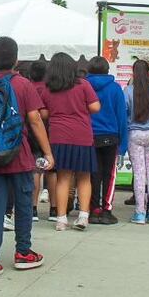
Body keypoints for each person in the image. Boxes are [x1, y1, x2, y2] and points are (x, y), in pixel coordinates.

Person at [0, 37, 54, 281]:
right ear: (16, 59)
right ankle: (23, 252)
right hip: (18, 155)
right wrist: (47, 151)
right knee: (23, 204)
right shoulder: (23, 84)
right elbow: (34, 120)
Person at [38, 52, 100, 231]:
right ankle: (83, 216)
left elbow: (44, 114)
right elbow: (95, 107)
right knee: (84, 177)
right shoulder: (83, 85)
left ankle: (61, 219)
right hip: (82, 136)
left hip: (58, 136)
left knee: (63, 178)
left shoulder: (48, 88)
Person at [85, 56, 128, 225]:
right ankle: (107, 210)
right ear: (107, 69)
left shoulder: (84, 87)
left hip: (90, 135)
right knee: (109, 175)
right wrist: (122, 145)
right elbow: (122, 117)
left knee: (92, 174)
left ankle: (93, 209)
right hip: (111, 136)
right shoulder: (115, 89)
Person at [125, 60, 149, 225]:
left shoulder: (128, 91)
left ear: (133, 74)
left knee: (139, 174)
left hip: (135, 134)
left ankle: (140, 213)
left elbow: (126, 112)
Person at [27, 60, 56, 222]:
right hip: (51, 133)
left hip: (31, 134)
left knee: (35, 171)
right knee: (52, 172)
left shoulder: (28, 88)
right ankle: (54, 209)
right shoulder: (50, 90)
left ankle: (33, 209)